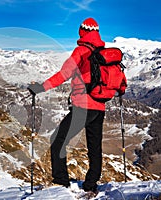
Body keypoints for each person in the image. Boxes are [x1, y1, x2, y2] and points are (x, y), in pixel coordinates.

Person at [27, 17, 126, 193]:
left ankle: (61, 181)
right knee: (94, 147)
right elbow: (121, 81)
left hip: (82, 107)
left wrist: (41, 88)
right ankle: (90, 184)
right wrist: (119, 91)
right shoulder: (105, 53)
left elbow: (63, 75)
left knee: (58, 139)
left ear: (83, 31)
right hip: (100, 108)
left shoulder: (81, 51)